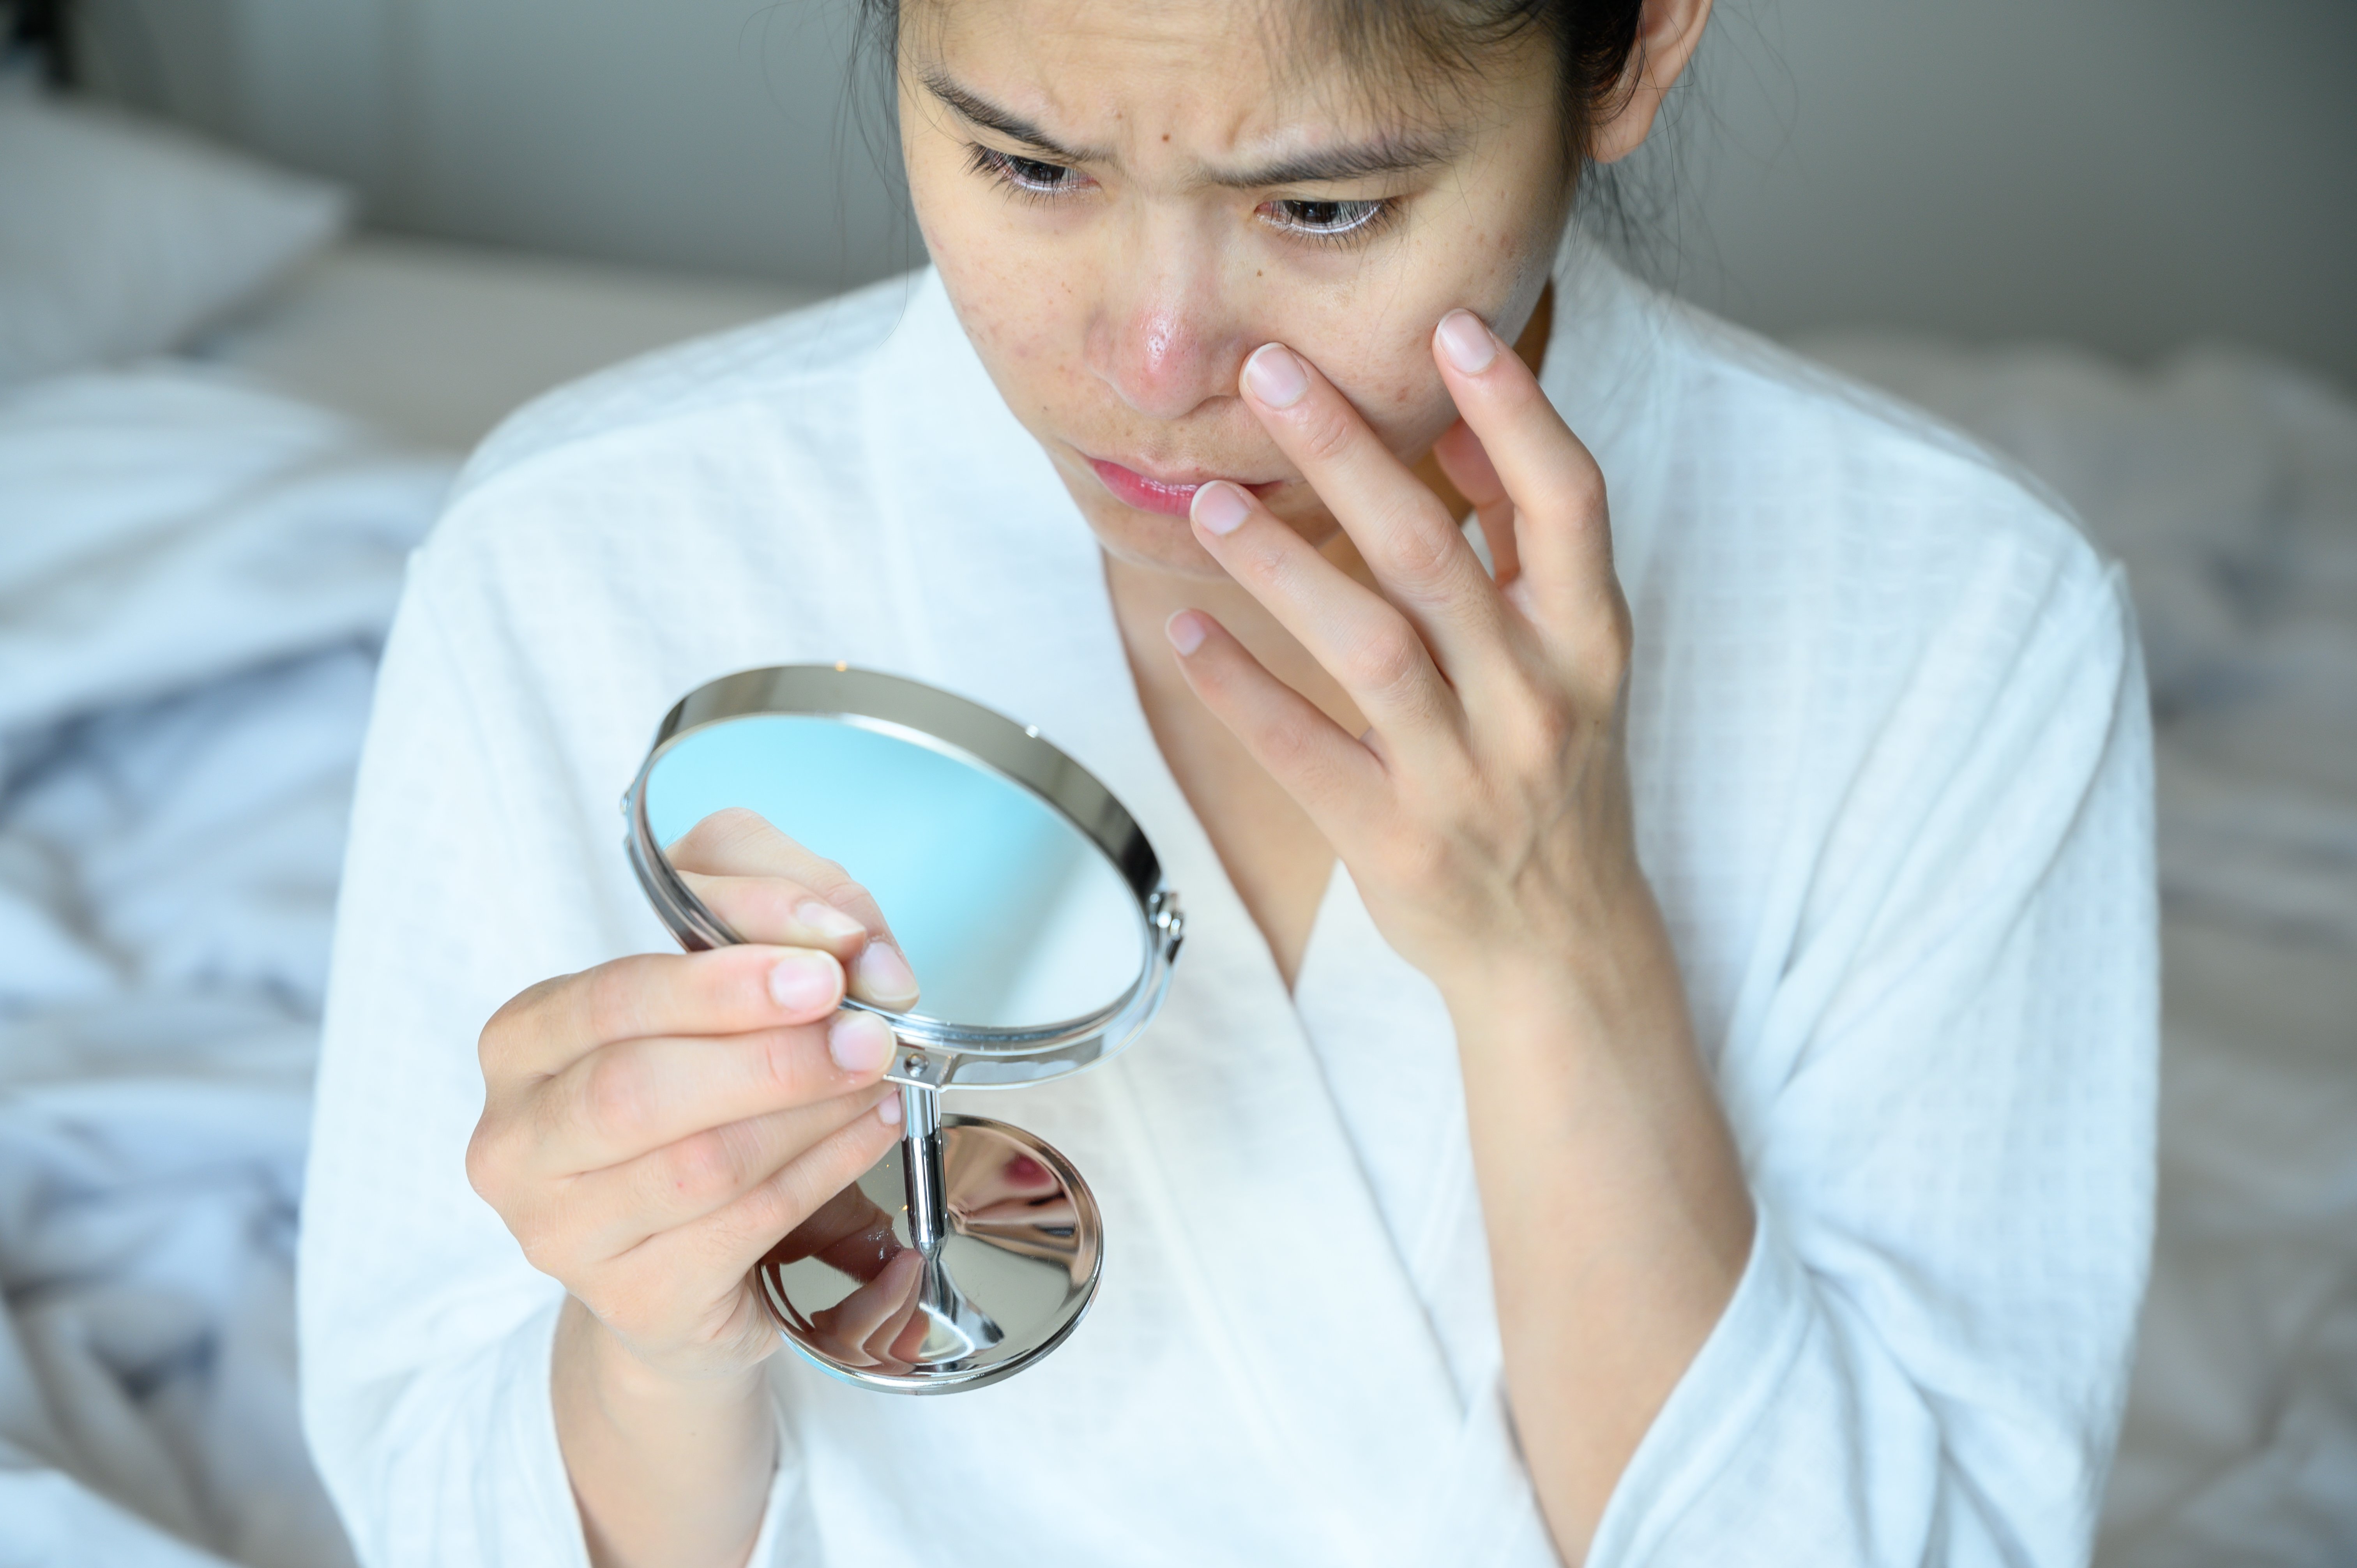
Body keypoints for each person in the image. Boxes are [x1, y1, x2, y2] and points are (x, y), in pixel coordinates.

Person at [296, 0, 2157, 1563]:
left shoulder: (1962, 618)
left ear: (1636, 48)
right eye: (1028, 167)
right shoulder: (577, 556)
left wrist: (1557, 961)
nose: (1155, 361)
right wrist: (655, 1349)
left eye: (1329, 205)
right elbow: (434, 1501)